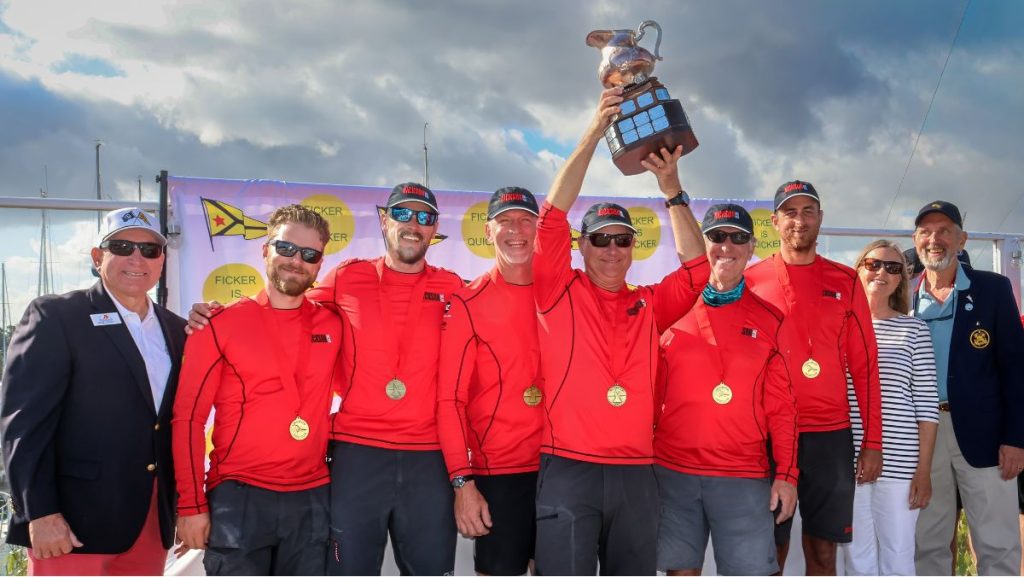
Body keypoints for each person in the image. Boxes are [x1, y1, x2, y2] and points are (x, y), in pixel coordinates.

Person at [188, 183, 464, 575]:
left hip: (428, 457)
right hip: (357, 454)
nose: (413, 224)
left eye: (424, 217)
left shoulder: (454, 287)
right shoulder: (347, 277)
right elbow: (285, 302)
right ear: (384, 221)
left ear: (434, 228)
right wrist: (219, 312)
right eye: (403, 213)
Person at [531, 86, 708, 576]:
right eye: (601, 239)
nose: (612, 248)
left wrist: (672, 189)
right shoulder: (555, 288)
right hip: (568, 467)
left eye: (623, 239)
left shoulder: (649, 303)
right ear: (582, 247)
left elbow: (697, 270)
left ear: (634, 247)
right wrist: (593, 132)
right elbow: (551, 217)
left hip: (635, 471)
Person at [1, 208, 186, 575]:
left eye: (150, 250)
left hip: (150, 523)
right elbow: (22, 425)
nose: (137, 258)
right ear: (98, 257)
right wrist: (39, 511)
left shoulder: (177, 329)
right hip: (70, 526)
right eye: (122, 246)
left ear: (162, 261)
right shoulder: (57, 316)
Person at [173, 205, 341, 575]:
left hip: (312, 497)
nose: (296, 261)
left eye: (309, 255)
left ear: (319, 264)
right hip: (239, 496)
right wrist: (190, 505)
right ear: (265, 250)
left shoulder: (335, 323)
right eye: (286, 248)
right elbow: (188, 420)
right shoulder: (218, 324)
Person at [743, 180, 883, 575]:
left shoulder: (845, 280)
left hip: (830, 436)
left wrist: (872, 441)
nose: (799, 221)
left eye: (808, 211)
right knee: (770, 552)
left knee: (823, 554)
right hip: (769, 435)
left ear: (820, 219)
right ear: (774, 222)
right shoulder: (751, 281)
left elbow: (864, 365)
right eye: (790, 212)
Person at [654, 204, 798, 576]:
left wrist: (787, 475)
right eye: (717, 236)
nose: (727, 246)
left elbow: (783, 408)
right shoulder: (670, 309)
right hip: (673, 472)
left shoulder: (771, 320)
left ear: (752, 248)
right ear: (703, 245)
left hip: (742, 475)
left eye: (738, 238)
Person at [911, 200, 1024, 576]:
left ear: (962, 239)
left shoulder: (993, 289)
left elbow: (1015, 368)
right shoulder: (903, 298)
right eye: (926, 232)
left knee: (997, 543)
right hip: (923, 439)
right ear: (915, 240)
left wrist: (1015, 438)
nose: (935, 239)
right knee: (926, 542)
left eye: (944, 230)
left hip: (987, 437)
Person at [436, 187, 543, 575]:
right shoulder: (468, 302)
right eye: (505, 220)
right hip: (501, 474)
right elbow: (449, 400)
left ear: (539, 229)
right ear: (487, 230)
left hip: (563, 469)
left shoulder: (567, 292)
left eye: (526, 220)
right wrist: (462, 483)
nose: (517, 229)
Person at [840, 239, 939, 576]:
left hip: (900, 464)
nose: (882, 272)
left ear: (901, 280)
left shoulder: (915, 329)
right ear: (858, 270)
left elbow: (927, 408)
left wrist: (923, 471)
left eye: (893, 267)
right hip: (847, 459)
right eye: (873, 264)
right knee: (855, 556)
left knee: (898, 554)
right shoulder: (837, 326)